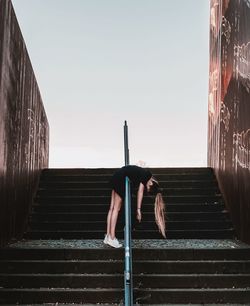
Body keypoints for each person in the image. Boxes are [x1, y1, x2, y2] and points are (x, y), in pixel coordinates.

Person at [104, 165, 166, 248]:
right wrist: (138, 209)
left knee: (112, 208)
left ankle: (108, 236)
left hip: (118, 175)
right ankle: (112, 237)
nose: (146, 187)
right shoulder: (146, 176)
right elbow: (140, 192)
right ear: (151, 183)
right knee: (116, 209)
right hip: (121, 178)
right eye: (147, 187)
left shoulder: (144, 173)